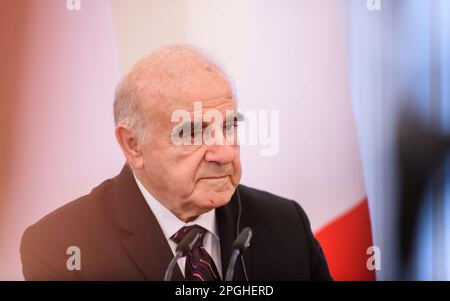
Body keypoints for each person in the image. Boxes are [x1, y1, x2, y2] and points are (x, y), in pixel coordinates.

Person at [20, 45, 332, 280]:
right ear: (133, 145)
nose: (223, 153)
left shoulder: (285, 224)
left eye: (229, 126)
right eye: (194, 132)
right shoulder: (61, 245)